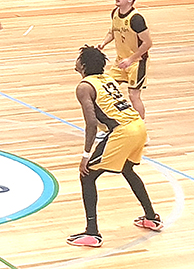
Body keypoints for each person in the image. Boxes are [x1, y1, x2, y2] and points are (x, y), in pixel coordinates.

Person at [66, 45, 162, 248]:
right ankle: (151, 217)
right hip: (138, 126)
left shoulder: (84, 87)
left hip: (122, 131)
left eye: (79, 58)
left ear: (83, 65)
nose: (76, 60)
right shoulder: (107, 79)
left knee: (87, 175)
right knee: (127, 169)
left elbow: (91, 124)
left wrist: (85, 155)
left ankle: (92, 233)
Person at [96, 0, 152, 120]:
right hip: (120, 61)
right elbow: (113, 31)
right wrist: (103, 43)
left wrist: (131, 59)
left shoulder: (136, 19)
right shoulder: (115, 12)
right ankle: (111, 123)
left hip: (137, 62)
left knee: (133, 95)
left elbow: (148, 43)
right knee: (105, 89)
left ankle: (141, 126)